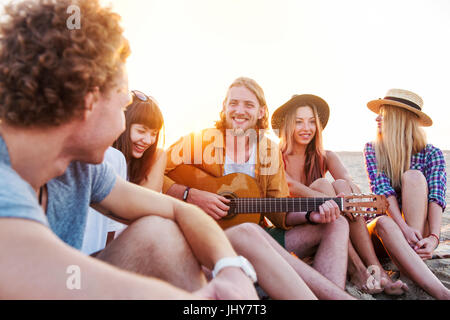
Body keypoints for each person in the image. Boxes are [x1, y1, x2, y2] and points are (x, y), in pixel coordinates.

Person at [0, 0, 258, 299]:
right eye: (123, 104)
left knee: (160, 233)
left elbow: (180, 209)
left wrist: (230, 269)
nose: (125, 119)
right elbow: (43, 277)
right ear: (89, 99)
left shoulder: (81, 170)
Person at [164, 77, 354, 299]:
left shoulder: (268, 150)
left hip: (256, 238)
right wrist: (189, 194)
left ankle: (325, 294)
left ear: (262, 112)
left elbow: (279, 210)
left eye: (249, 105)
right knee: (251, 231)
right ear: (224, 108)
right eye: (233, 103)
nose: (239, 110)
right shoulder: (199, 141)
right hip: (204, 241)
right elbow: (151, 172)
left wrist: (311, 216)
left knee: (337, 223)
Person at [271, 94, 408, 295]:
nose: (306, 128)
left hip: (334, 221)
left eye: (311, 122)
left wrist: (347, 195)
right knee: (323, 185)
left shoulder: (325, 156)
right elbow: (290, 186)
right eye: (298, 122)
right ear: (287, 125)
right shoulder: (276, 157)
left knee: (341, 184)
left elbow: (350, 181)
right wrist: (329, 200)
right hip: (300, 222)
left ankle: (376, 270)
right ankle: (357, 270)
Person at [363, 88, 450, 300]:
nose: (376, 118)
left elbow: (436, 198)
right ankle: (441, 292)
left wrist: (434, 238)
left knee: (413, 177)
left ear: (399, 118)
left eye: (383, 113)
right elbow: (383, 195)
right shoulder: (373, 150)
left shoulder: (432, 153)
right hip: (386, 232)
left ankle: (415, 257)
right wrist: (404, 229)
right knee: (384, 222)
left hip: (419, 232)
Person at [113, 89, 167, 192]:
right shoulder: (110, 156)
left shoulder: (154, 158)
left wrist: (160, 156)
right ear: (123, 125)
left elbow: (150, 200)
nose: (148, 141)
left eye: (153, 134)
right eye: (141, 131)